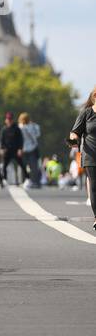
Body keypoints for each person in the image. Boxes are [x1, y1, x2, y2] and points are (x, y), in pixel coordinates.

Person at [69, 87, 96, 230]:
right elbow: (75, 131)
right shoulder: (86, 113)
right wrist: (73, 139)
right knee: (94, 186)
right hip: (91, 155)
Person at [0, 111, 24, 184]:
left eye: (10, 119)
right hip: (7, 150)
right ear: (6, 120)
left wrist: (20, 148)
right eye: (8, 119)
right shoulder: (4, 129)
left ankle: (26, 179)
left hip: (16, 150)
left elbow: (21, 139)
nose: (9, 121)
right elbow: (2, 140)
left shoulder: (17, 129)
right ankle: (4, 180)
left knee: (21, 165)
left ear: (12, 120)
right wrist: (2, 148)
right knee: (5, 165)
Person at [19, 113, 42, 187]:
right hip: (32, 148)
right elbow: (38, 134)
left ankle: (24, 181)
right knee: (34, 167)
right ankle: (35, 182)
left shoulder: (19, 127)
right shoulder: (33, 126)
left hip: (23, 149)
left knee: (23, 166)